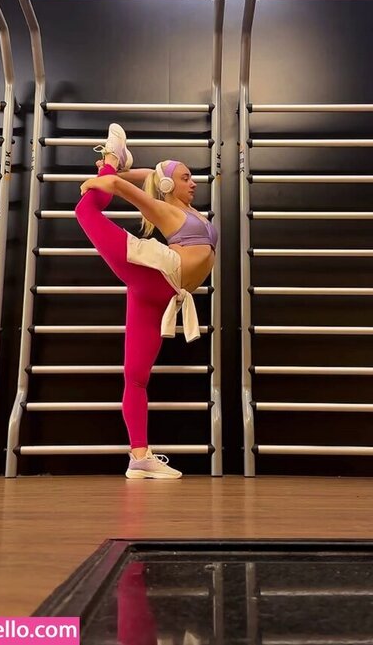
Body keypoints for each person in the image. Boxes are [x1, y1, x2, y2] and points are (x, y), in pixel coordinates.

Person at [75, 123, 218, 480]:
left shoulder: (189, 211)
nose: (194, 182)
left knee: (136, 377)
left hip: (160, 294)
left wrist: (122, 172)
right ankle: (112, 152)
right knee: (85, 211)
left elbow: (148, 177)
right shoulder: (168, 212)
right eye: (186, 177)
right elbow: (122, 189)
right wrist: (107, 174)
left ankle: (139, 457)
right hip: (152, 271)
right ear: (170, 186)